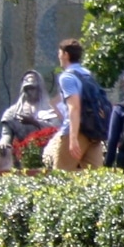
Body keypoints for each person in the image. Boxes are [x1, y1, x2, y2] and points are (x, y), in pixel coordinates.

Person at [52, 39, 110, 171]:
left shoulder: (67, 77)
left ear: (66, 54)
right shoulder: (87, 74)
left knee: (61, 176)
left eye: (60, 53)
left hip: (77, 131)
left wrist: (72, 138)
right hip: (94, 132)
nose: (59, 56)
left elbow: (74, 107)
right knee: (95, 180)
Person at [0, 71, 60, 169]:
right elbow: (6, 134)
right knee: (4, 149)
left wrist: (34, 122)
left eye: (32, 88)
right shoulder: (12, 112)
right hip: (21, 152)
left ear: (39, 89)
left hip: (46, 149)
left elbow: (56, 130)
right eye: (26, 89)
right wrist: (3, 142)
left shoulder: (50, 108)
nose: (29, 92)